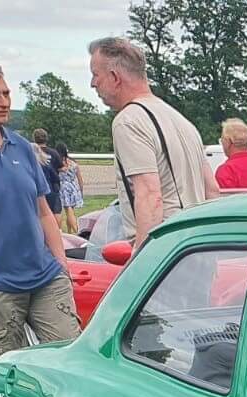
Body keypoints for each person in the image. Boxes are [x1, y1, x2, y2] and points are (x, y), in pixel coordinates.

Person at [0, 56, 79, 365]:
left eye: (6, 93)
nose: (3, 102)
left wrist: (61, 264)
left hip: (46, 278)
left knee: (69, 363)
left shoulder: (21, 146)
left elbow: (43, 212)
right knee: (10, 374)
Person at [89, 36, 216, 249]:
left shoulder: (128, 121)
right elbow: (212, 190)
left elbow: (150, 195)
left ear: (114, 77)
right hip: (198, 248)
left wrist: (141, 261)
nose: (93, 83)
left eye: (95, 75)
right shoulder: (183, 121)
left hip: (167, 251)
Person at [32, 128, 63, 219]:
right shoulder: (53, 153)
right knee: (56, 210)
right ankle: (57, 229)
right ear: (46, 138)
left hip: (36, 186)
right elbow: (61, 167)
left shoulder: (31, 153)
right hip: (52, 185)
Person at [56, 142, 83, 233]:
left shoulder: (58, 163)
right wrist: (81, 190)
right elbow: (79, 178)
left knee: (68, 210)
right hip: (74, 187)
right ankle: (69, 231)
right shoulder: (73, 163)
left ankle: (76, 230)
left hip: (63, 187)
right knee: (71, 210)